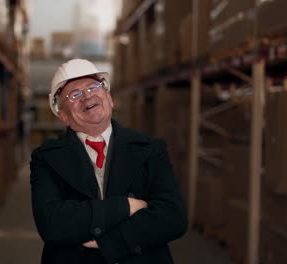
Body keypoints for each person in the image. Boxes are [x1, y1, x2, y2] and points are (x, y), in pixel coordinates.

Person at [30, 59, 187, 264]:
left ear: (109, 98)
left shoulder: (150, 149)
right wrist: (126, 206)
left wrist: (110, 242)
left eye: (93, 87)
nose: (87, 96)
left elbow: (173, 217)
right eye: (74, 95)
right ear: (63, 116)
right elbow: (52, 223)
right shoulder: (45, 158)